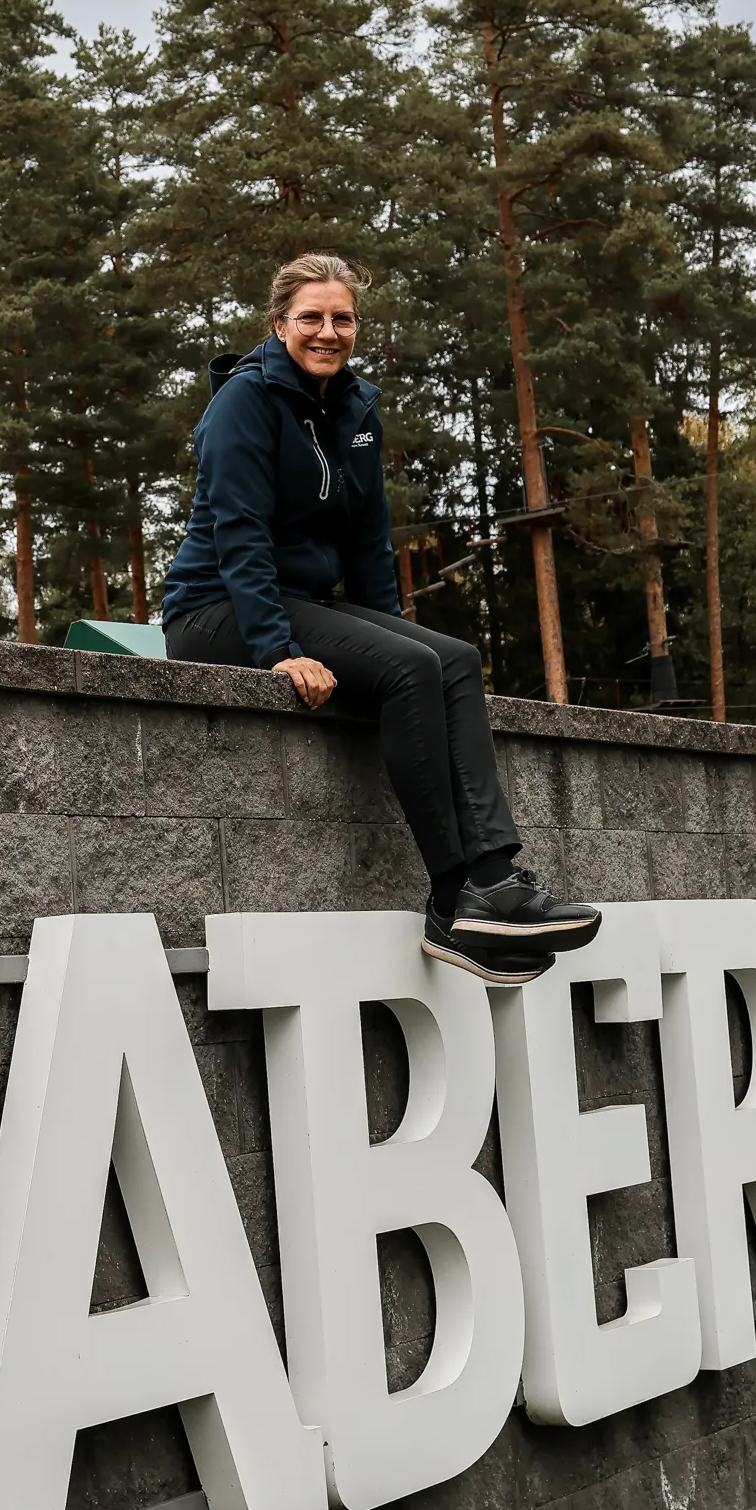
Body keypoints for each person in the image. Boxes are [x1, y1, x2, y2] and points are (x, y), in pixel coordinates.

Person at [161, 252, 601, 982]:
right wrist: (277, 650)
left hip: (305, 602)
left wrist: (386, 634)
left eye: (342, 318)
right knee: (409, 667)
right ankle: (454, 897)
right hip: (217, 610)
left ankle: (493, 878)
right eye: (311, 318)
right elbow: (238, 536)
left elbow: (369, 543)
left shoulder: (358, 406)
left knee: (448, 658)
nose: (327, 331)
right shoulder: (242, 403)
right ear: (279, 324)